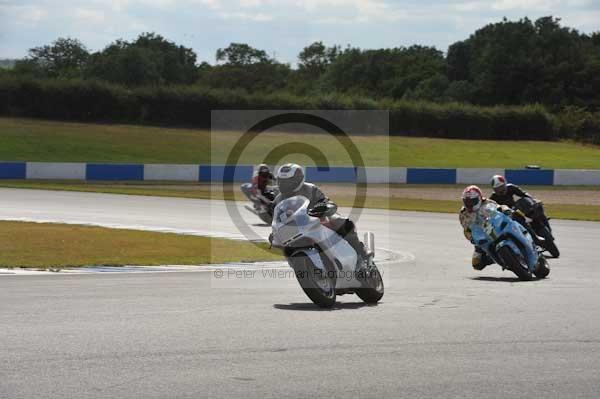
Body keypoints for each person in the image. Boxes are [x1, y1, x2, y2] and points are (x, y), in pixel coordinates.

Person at [272, 163, 371, 268]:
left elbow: (326, 201)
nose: (284, 185)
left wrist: (325, 207)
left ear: (298, 179)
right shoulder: (278, 200)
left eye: (288, 182)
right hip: (295, 230)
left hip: (317, 220)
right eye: (281, 181)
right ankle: (297, 265)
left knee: (343, 222)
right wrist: (274, 233)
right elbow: (275, 220)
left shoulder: (311, 189)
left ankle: (360, 250)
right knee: (283, 245)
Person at [459, 185, 498, 271]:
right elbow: (466, 230)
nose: (469, 204)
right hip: (481, 238)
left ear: (479, 198)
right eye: (467, 202)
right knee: (476, 264)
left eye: (472, 201)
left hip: (496, 229)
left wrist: (505, 209)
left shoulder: (487, 203)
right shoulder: (463, 214)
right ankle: (494, 258)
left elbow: (500, 208)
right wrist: (472, 238)